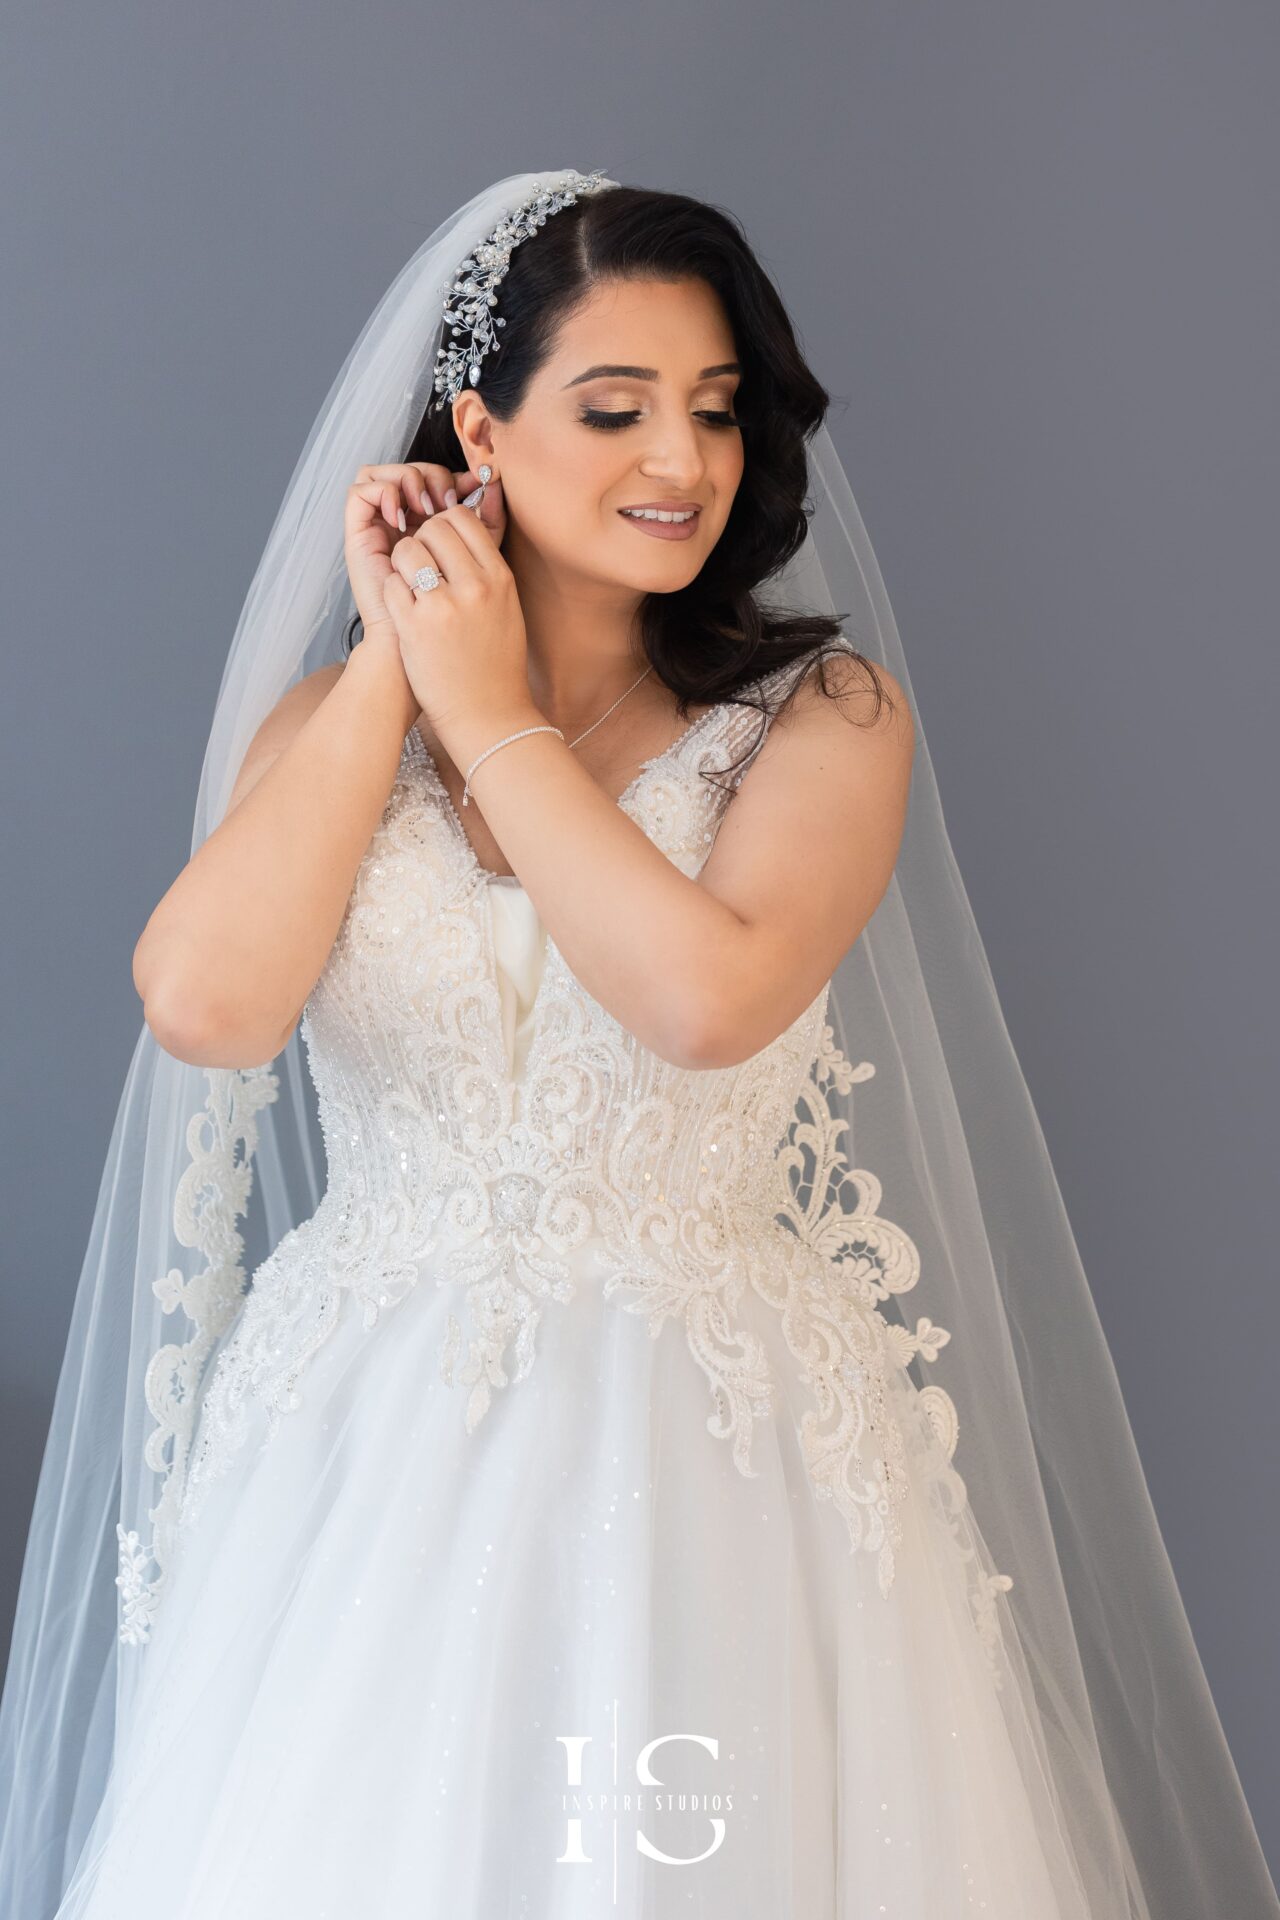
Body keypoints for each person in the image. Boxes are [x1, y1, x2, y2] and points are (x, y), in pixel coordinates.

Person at [1, 167, 1276, 1919]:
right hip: (367, 1454)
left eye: (718, 411)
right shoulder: (334, 723)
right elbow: (209, 1009)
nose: (683, 461)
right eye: (615, 410)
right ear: (481, 430)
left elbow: (700, 1000)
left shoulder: (817, 720)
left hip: (708, 1449)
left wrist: (493, 711)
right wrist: (394, 662)